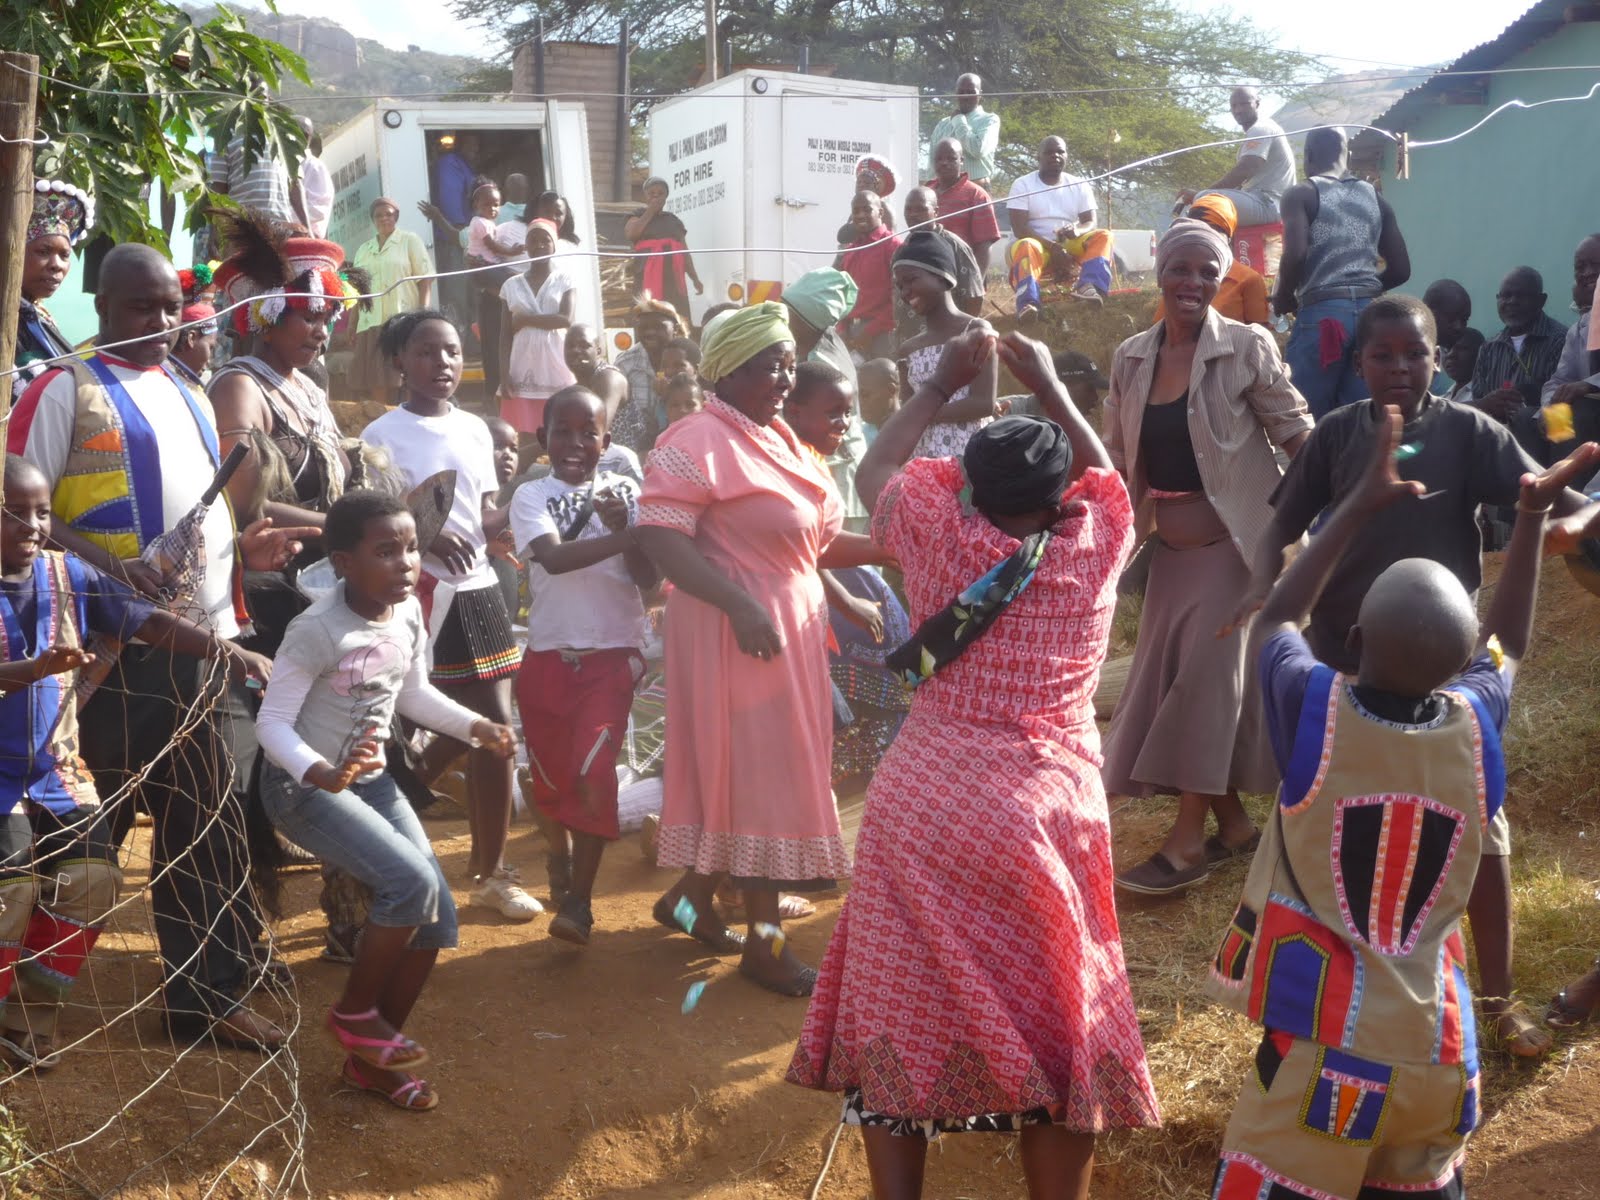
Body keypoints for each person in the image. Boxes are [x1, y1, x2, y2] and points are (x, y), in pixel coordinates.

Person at [789, 328, 1161, 1199]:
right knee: (1059, 1021)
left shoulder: (935, 534)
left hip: (924, 804)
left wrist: (938, 387)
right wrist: (1050, 384)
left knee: (900, 1007)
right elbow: (1110, 476)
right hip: (1045, 810)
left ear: (973, 490)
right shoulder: (1096, 545)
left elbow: (876, 471)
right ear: (1059, 492)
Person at [1204, 409, 1592, 1199]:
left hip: (1324, 1051)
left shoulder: (1317, 714)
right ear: (1459, 665)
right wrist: (1527, 519)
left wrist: (1352, 507)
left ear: (1353, 638)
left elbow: (1276, 616)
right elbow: (1509, 645)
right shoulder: (1476, 724)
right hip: (1443, 1051)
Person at [1230, 293, 1596, 1057]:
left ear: (1439, 357)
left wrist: (1571, 521)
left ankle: (1496, 1000)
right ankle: (1309, 997)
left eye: (1416, 354)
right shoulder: (1337, 436)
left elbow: (1565, 497)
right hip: (1344, 667)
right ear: (1358, 361)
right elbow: (1280, 525)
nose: (1400, 368)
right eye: (1383, 355)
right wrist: (1263, 584)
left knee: (1481, 837)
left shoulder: (1470, 432)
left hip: (1443, 677)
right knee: (1321, 835)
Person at [8, 243, 308, 1049]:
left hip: (200, 646)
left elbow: (202, 517)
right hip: (101, 654)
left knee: (206, 820)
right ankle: (23, 1009)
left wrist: (242, 555)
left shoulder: (187, 388)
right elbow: (19, 516)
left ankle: (204, 995)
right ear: (103, 307)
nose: (161, 322)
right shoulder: (63, 388)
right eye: (142, 307)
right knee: (80, 837)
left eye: (170, 307)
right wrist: (112, 570)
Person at [635, 302, 880, 997]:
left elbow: (810, 542)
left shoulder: (775, 437)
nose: (784, 379)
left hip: (783, 631)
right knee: (756, 775)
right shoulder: (696, 438)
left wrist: (890, 551)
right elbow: (659, 538)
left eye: (788, 366)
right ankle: (765, 949)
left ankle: (688, 900)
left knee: (754, 769)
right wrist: (739, 604)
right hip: (733, 631)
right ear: (728, 369)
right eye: (771, 366)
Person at [0, 455, 270, 1070]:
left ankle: (26, 1018)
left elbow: (141, 618)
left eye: (42, 513)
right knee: (9, 889)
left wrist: (225, 651)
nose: (33, 526)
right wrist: (32, 670)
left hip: (51, 767)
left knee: (93, 880)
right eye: (15, 514)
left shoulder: (67, 574)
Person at [256, 489, 516, 1112]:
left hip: (369, 783)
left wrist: (475, 727)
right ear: (344, 563)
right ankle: (354, 1014)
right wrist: (319, 771)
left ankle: (368, 1061)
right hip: (301, 788)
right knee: (410, 883)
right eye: (386, 551)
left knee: (437, 916)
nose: (405, 563)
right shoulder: (316, 629)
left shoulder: (406, 614)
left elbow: (414, 694)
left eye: (410, 549)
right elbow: (272, 725)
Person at [1100, 219, 1312, 897]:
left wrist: (1330, 517)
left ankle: (1187, 845)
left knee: (1203, 690)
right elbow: (1115, 458)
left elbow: (1298, 436)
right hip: (1170, 556)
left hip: (1237, 551)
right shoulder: (1131, 357)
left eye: (1207, 273)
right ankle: (1237, 828)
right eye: (1180, 269)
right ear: (1159, 273)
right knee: (1177, 684)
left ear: (1221, 282)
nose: (1192, 283)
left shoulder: (1245, 347)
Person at [361, 311, 539, 921]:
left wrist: (520, 509)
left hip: (478, 589)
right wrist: (428, 538)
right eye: (427, 351)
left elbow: (480, 515)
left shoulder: (474, 430)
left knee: (495, 726)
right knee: (403, 719)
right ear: (400, 361)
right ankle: (389, 841)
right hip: (413, 595)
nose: (443, 362)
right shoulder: (381, 434)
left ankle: (492, 871)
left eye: (453, 351)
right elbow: (375, 518)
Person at [510, 387, 658, 945]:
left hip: (612, 657)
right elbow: (552, 557)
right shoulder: (532, 495)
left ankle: (580, 902)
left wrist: (630, 533)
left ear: (606, 440)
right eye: (562, 432)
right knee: (549, 780)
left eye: (587, 433)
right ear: (542, 438)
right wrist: (624, 535)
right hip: (549, 656)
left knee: (594, 773)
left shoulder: (628, 492)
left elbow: (648, 580)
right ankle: (559, 854)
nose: (575, 443)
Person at [782, 362, 912, 787]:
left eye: (848, 413)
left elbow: (818, 544)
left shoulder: (808, 458)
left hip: (826, 587)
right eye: (832, 413)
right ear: (794, 411)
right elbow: (800, 549)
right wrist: (849, 599)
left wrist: (887, 552)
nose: (844, 423)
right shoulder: (784, 462)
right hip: (797, 599)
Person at [1274, 127, 1411, 421]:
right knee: (1362, 418)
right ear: (1347, 155)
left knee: (1305, 417)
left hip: (1323, 317)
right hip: (1371, 317)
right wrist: (1365, 288)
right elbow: (1401, 270)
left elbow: (1295, 255)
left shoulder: (1302, 194)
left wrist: (1284, 297)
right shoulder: (1375, 197)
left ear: (1308, 155)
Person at [894, 230, 996, 459]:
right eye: (900, 286)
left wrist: (922, 413)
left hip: (970, 457)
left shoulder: (975, 331)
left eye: (911, 280)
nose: (905, 292)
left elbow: (983, 403)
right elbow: (906, 409)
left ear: (942, 276)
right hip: (923, 461)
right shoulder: (908, 349)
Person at [783, 267, 872, 530]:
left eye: (788, 314)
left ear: (807, 321)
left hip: (840, 472)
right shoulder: (823, 344)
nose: (782, 320)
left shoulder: (821, 363)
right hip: (837, 469)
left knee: (845, 549)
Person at [1007, 136, 1112, 314]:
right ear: (1038, 157)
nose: (1055, 156)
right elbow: (1020, 229)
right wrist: (1053, 247)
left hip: (1066, 245)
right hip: (1036, 246)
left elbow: (1090, 221)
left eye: (1060, 152)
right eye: (1049, 152)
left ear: (1066, 156)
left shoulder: (1079, 184)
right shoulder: (1022, 184)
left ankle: (1089, 287)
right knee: (1026, 245)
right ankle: (1028, 304)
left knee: (1104, 235)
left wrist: (1077, 230)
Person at [350, 198, 434, 408]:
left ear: (396, 216)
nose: (384, 218)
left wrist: (422, 317)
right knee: (377, 379)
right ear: (373, 220)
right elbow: (357, 292)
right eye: (378, 215)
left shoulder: (409, 240)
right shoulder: (363, 250)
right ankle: (383, 418)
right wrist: (352, 324)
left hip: (403, 320)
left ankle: (408, 417)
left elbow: (425, 280)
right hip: (370, 321)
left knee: (405, 376)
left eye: (388, 214)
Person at [15, 179, 93, 400]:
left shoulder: (38, 314)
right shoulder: (9, 317)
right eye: (43, 252)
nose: (56, 265)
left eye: (64, 255)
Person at [499, 218, 577, 439]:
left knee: (560, 428)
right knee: (524, 434)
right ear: (526, 245)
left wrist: (526, 320)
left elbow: (565, 319)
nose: (539, 245)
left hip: (557, 365)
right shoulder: (511, 285)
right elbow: (505, 335)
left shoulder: (565, 279)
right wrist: (504, 376)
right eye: (533, 240)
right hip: (522, 367)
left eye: (545, 240)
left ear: (554, 245)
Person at [1179, 86, 1297, 227]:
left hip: (1269, 203)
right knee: (1208, 206)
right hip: (1266, 202)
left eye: (1244, 104)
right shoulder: (1259, 129)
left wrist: (1205, 193)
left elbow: (1246, 168)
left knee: (1205, 200)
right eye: (1234, 106)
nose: (1238, 110)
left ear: (1257, 104)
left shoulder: (1261, 128)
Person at [1471, 266, 1567, 432]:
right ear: (1498, 299)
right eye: (1506, 295)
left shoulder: (1560, 340)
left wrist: (1526, 406)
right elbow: (1478, 403)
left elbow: (1561, 409)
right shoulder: (1489, 348)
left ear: (1541, 300)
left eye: (1522, 295)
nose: (1512, 301)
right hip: (1495, 438)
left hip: (1544, 437)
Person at [1151, 195, 1271, 327]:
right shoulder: (1176, 276)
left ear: (1228, 238)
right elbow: (1161, 326)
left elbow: (1258, 332)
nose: (1205, 238)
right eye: (1197, 231)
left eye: (1213, 232)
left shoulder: (1248, 279)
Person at [623, 176, 703, 326]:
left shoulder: (674, 221)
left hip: (672, 277)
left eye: (660, 193)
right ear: (645, 196)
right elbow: (631, 234)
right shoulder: (636, 216)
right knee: (647, 309)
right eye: (651, 193)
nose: (656, 196)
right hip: (647, 275)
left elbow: (684, 252)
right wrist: (651, 211)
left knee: (677, 313)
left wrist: (695, 278)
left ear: (666, 197)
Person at [612, 298, 686, 456]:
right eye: (643, 327)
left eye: (659, 327)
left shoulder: (687, 360)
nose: (649, 332)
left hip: (682, 444)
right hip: (637, 448)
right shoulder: (625, 363)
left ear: (675, 329)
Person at [900, 187, 985, 321]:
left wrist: (963, 330)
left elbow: (974, 297)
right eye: (908, 209)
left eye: (921, 209)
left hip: (948, 331)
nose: (913, 214)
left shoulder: (954, 246)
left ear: (936, 212)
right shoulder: (904, 248)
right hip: (909, 332)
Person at [839, 191, 904, 357]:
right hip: (851, 334)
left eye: (867, 210)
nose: (860, 215)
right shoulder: (851, 249)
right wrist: (842, 327)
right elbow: (843, 293)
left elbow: (900, 297)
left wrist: (870, 331)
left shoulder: (893, 245)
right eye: (856, 211)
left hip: (882, 335)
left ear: (880, 212)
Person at [924, 138, 1001, 276]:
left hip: (961, 275)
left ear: (961, 160)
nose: (944, 163)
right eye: (939, 159)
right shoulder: (926, 193)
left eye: (951, 158)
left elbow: (984, 246)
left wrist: (975, 282)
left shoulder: (977, 195)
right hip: (927, 273)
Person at [1540, 233, 1600, 412]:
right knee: (1524, 417)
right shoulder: (1578, 329)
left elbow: (1582, 388)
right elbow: (1559, 381)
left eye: (1596, 264)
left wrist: (1590, 385)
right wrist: (1550, 407)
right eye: (1580, 267)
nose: (1587, 273)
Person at [926, 73, 1001, 190]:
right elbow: (932, 162)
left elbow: (977, 150)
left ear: (980, 94)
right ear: (956, 93)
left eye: (971, 92)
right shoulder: (943, 124)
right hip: (944, 192)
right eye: (961, 92)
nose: (965, 96)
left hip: (977, 191)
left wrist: (959, 120)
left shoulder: (989, 120)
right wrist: (930, 190)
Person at [209, 127, 298, 225]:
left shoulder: (283, 132)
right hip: (243, 223)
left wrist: (308, 226)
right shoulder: (225, 134)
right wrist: (216, 228)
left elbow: (295, 184)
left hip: (281, 223)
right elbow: (218, 189)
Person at [564, 323, 628, 424]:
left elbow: (598, 426)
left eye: (584, 345)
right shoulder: (576, 389)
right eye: (570, 346)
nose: (575, 350)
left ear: (598, 352)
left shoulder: (610, 377)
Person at [296, 117, 334, 238]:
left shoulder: (314, 166)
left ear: (306, 137)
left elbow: (318, 210)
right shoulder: (284, 165)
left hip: (307, 239)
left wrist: (285, 221)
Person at [857, 358, 900, 441]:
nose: (859, 402)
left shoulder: (915, 431)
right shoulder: (858, 435)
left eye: (865, 395)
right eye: (856, 395)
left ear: (891, 390)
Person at [1443, 329, 1484, 403]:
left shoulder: (1485, 397)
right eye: (1447, 349)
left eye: (1462, 348)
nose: (1450, 355)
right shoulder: (1443, 398)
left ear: (1480, 353)